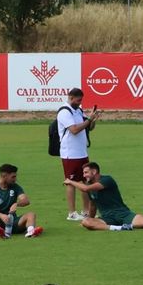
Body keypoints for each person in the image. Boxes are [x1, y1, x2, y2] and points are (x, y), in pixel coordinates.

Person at [67, 162, 143, 232]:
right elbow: (93, 206)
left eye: (86, 172)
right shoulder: (90, 187)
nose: (84, 175)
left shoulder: (107, 180)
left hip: (122, 213)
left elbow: (85, 189)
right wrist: (90, 219)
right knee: (86, 222)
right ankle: (120, 228)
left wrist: (71, 181)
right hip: (107, 218)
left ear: (94, 172)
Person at [56, 88, 99, 221]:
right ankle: (72, 213)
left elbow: (89, 127)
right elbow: (74, 130)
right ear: (71, 98)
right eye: (78, 100)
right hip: (70, 153)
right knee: (71, 182)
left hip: (81, 152)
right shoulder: (64, 112)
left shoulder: (78, 110)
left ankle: (85, 211)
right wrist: (88, 120)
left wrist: (93, 119)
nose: (80, 103)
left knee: (86, 180)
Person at [0, 164, 41, 239]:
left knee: (31, 214)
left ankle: (30, 232)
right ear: (4, 176)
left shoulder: (15, 187)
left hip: (12, 222)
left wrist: (16, 204)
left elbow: (26, 201)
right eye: (13, 177)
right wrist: (1, 215)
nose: (15, 179)